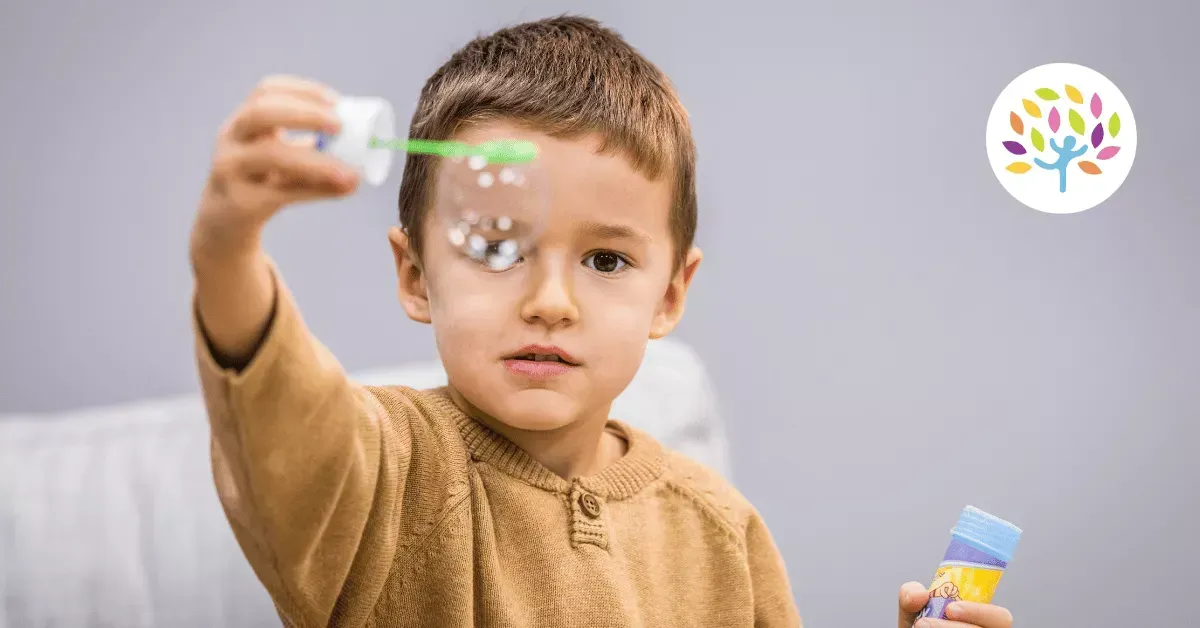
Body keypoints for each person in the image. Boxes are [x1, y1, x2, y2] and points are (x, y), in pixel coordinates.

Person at [188, 15, 1014, 628]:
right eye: (498, 248)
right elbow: (280, 424)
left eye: (607, 261)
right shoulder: (381, 477)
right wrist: (227, 250)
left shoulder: (721, 529)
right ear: (415, 276)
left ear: (669, 296)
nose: (552, 300)